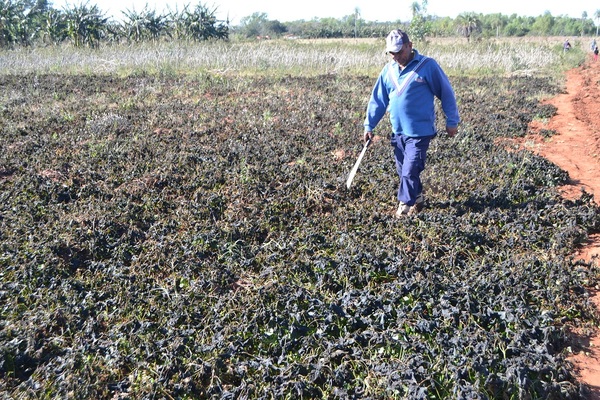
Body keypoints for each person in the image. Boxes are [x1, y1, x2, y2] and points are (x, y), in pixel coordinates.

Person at [363, 29, 460, 218]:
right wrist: (369, 125)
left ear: (410, 46)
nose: (397, 56)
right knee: (403, 170)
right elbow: (378, 100)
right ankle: (417, 197)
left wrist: (452, 121)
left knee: (409, 169)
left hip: (420, 132)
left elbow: (446, 93)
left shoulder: (427, 66)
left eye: (400, 51)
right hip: (398, 132)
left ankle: (404, 207)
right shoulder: (388, 71)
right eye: (393, 53)